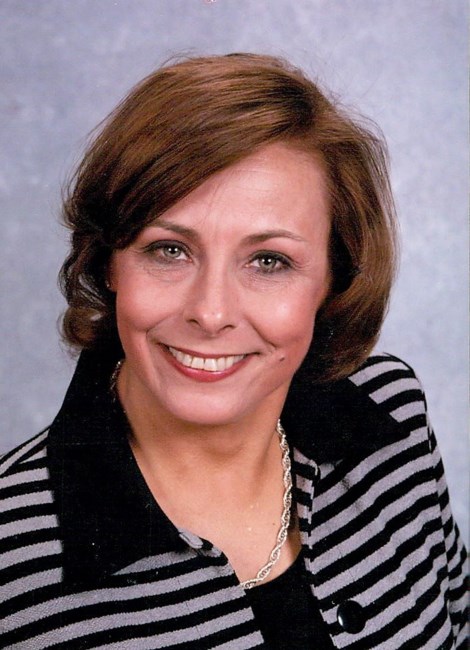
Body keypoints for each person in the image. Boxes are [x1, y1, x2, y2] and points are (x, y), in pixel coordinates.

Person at [0, 53, 467, 650]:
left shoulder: (392, 419)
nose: (211, 312)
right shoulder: (13, 558)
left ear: (334, 280)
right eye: (169, 250)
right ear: (108, 262)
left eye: (268, 261)